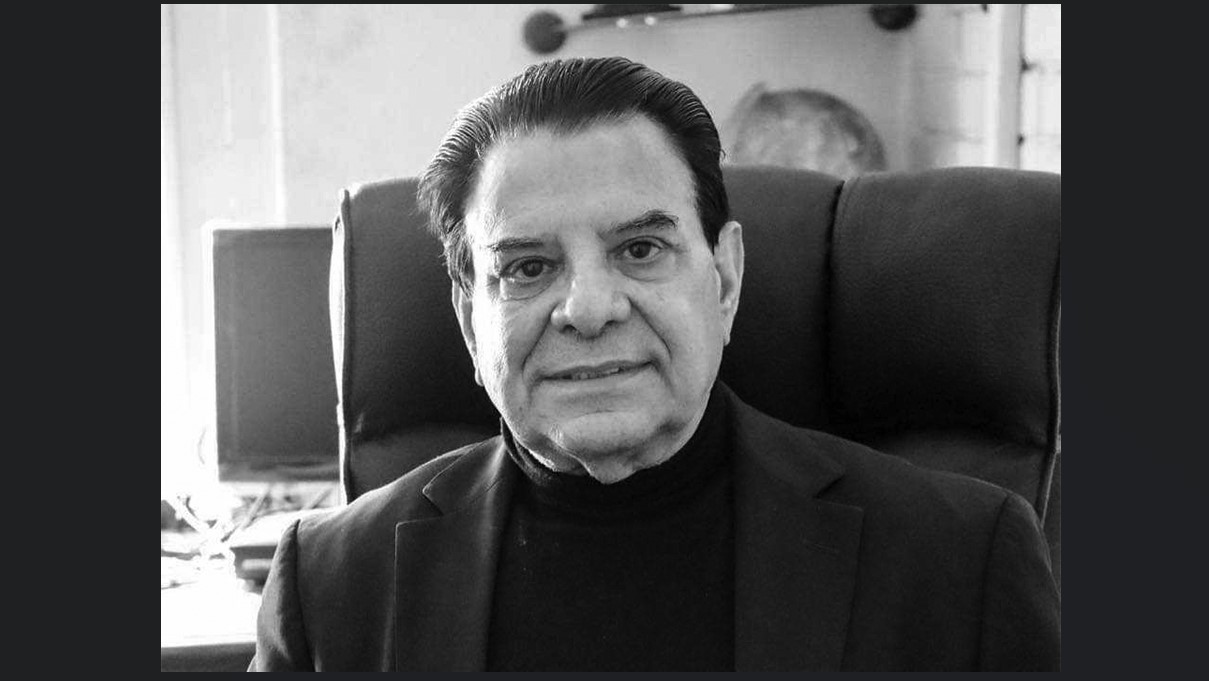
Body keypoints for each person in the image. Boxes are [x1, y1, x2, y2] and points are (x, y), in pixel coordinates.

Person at [249, 56, 1060, 672]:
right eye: (527, 266)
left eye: (639, 249)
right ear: (470, 319)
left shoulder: (957, 559)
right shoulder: (331, 584)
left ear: (725, 278)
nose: (588, 307)